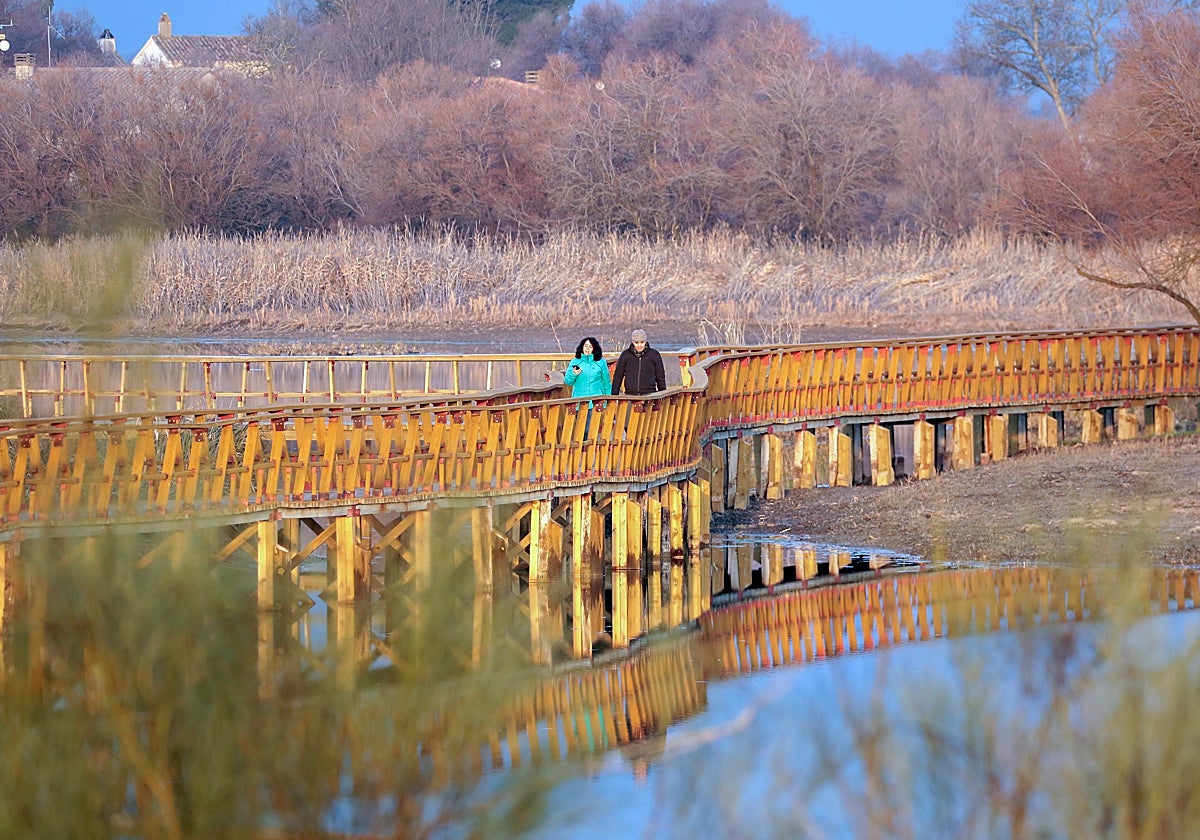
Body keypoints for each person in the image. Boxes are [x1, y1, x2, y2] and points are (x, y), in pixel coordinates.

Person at [611, 329, 666, 396]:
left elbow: (660, 377)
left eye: (642, 342)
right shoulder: (625, 355)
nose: (639, 345)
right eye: (636, 343)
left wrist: (663, 395)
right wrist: (614, 396)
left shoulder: (654, 355)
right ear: (632, 342)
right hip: (630, 395)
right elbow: (618, 376)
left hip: (650, 395)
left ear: (645, 341)